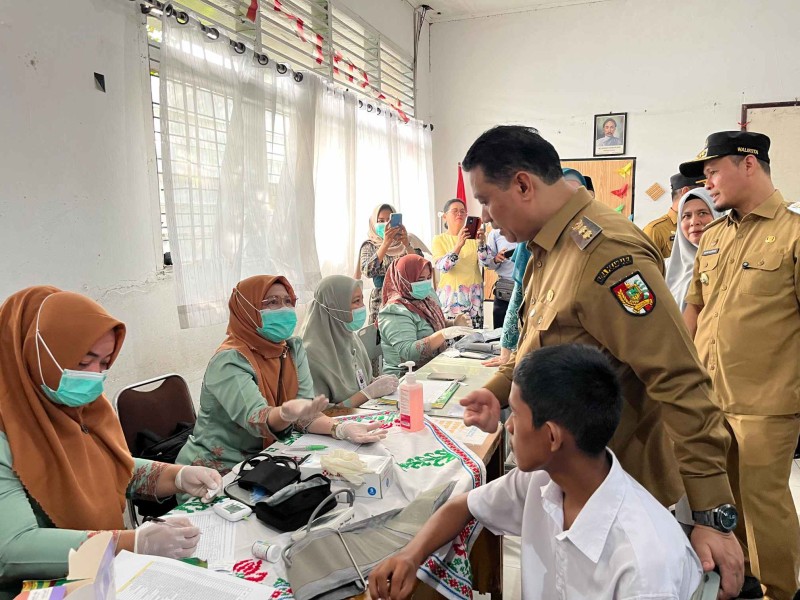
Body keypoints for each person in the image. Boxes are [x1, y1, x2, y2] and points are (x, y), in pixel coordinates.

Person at [457, 125, 744, 599]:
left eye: (487, 200)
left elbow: (678, 378)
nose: (485, 218)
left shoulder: (605, 253)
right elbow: (542, 346)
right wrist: (498, 389)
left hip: (619, 490)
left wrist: (711, 513)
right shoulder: (546, 249)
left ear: (524, 185)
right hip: (568, 485)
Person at [368, 345, 702, 600]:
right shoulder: (544, 480)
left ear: (552, 436)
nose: (508, 425)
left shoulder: (642, 569)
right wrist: (410, 556)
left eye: (515, 413)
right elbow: (463, 506)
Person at [0, 286, 223, 597]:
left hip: (105, 574)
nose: (94, 376)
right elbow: (12, 550)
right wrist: (130, 542)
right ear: (35, 353)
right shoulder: (6, 430)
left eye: (104, 364)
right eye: (83, 362)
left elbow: (111, 470)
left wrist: (178, 476)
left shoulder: (83, 411)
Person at [681, 131, 800, 600]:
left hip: (765, 401)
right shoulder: (713, 236)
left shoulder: (792, 234)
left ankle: (781, 590)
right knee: (720, 502)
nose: (708, 183)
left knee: (763, 501)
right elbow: (694, 308)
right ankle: (741, 581)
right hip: (710, 399)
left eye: (713, 170)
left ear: (749, 164)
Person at [176, 275, 385, 475]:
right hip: (217, 469)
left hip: (272, 458)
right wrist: (285, 414)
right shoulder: (230, 361)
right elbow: (256, 419)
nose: (284, 309)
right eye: (272, 302)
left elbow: (305, 412)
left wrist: (341, 429)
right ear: (247, 310)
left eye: (288, 301)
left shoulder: (292, 350)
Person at [302, 275, 399, 407]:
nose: (362, 307)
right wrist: (367, 393)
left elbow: (360, 381)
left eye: (362, 301)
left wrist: (374, 383)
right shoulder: (310, 355)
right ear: (333, 306)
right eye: (356, 301)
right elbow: (319, 416)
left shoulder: (350, 337)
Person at [378, 255, 472, 376]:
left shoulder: (425, 298)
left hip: (432, 367)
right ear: (404, 279)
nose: (426, 283)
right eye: (420, 279)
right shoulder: (394, 311)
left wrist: (453, 323)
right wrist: (442, 335)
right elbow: (408, 352)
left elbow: (431, 324)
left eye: (428, 278)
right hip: (405, 376)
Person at [358, 204, 425, 325]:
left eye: (389, 220)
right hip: (382, 303)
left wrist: (406, 244)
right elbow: (367, 270)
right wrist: (385, 244)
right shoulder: (369, 246)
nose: (385, 224)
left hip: (408, 301)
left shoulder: (407, 240)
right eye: (381, 221)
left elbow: (421, 267)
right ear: (373, 223)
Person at [432, 198, 488, 328]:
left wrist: (482, 244)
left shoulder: (473, 239)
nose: (460, 214)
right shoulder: (439, 239)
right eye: (455, 211)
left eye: (463, 212)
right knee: (453, 341)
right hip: (452, 300)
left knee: (475, 341)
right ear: (445, 216)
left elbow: (486, 262)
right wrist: (458, 245)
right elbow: (443, 267)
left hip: (474, 298)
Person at [665, 188, 720, 311]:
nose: (694, 222)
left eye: (703, 213)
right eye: (686, 216)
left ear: (718, 216)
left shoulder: (730, 261)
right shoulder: (664, 268)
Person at [643, 173, 705, 259]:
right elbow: (647, 268)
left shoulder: (706, 223)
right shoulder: (655, 230)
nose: (708, 196)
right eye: (702, 192)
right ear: (686, 192)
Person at [479, 227, 517, 329]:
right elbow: (489, 264)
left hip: (530, 286)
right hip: (505, 290)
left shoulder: (532, 226)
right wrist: (496, 259)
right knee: (500, 333)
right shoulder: (496, 233)